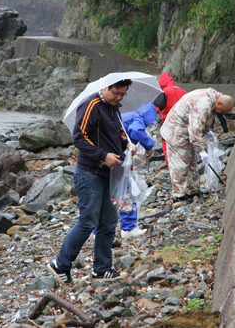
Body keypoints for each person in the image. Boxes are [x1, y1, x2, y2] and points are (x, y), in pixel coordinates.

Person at [48, 79, 137, 284]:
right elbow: (78, 137)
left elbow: (119, 133)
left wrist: (128, 146)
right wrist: (103, 155)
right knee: (88, 220)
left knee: (108, 221)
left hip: (109, 174)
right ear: (106, 88)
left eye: (123, 94)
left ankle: (102, 269)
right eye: (116, 93)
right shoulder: (91, 105)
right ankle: (60, 264)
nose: (119, 97)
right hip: (90, 172)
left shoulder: (114, 108)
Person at [160, 88, 234, 202]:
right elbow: (195, 131)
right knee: (181, 164)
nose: (221, 113)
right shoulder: (204, 104)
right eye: (222, 110)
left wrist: (207, 131)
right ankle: (179, 195)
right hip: (175, 130)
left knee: (192, 160)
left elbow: (201, 121)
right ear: (219, 103)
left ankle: (193, 190)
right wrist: (202, 150)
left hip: (185, 128)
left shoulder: (212, 98)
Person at [118, 103, 157, 239]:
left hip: (111, 155)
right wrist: (149, 146)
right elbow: (136, 130)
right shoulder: (137, 117)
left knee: (111, 192)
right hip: (118, 157)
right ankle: (128, 227)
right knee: (127, 190)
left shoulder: (124, 114)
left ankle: (96, 230)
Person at [153, 72, 187, 168]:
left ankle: (172, 172)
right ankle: (183, 169)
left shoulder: (165, 92)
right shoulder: (183, 91)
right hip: (183, 125)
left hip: (168, 125)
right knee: (182, 148)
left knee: (167, 149)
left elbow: (156, 109)